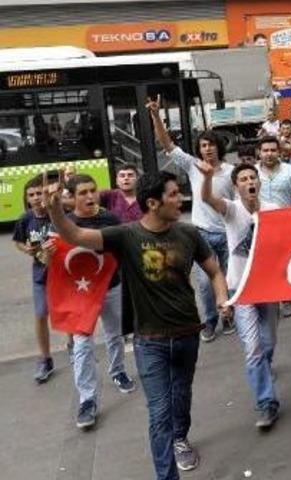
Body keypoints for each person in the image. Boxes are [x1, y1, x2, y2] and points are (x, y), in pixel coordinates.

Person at [45, 170, 230, 480]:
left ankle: (181, 439)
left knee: (181, 397)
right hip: (150, 341)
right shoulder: (125, 235)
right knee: (159, 413)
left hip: (188, 334)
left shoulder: (189, 233)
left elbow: (214, 271)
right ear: (153, 203)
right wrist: (55, 211)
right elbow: (75, 235)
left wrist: (222, 299)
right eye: (173, 194)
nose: (180, 199)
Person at [199, 162, 281, 430]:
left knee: (268, 343)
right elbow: (207, 198)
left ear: (259, 182)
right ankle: (267, 403)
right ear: (236, 187)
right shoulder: (232, 210)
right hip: (241, 289)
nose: (249, 182)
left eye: (252, 177)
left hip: (268, 287)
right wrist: (207, 177)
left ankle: (264, 372)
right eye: (243, 179)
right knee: (253, 349)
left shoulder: (273, 210)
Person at [150, 95, 235, 342]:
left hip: (227, 234)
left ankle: (228, 316)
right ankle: (209, 321)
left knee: (229, 280)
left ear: (219, 147)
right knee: (205, 285)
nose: (207, 149)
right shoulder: (192, 165)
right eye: (203, 145)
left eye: (211, 144)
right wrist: (155, 115)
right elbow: (167, 144)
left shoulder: (231, 172)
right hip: (202, 235)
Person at [59, 174, 136, 430]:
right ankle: (87, 400)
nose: (90, 196)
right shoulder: (66, 224)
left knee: (115, 334)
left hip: (112, 286)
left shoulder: (110, 219)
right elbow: (55, 261)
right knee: (82, 345)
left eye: (92, 190)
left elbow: (124, 249)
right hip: (82, 294)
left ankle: (118, 371)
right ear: (71, 197)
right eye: (83, 192)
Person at [12, 174, 58, 383]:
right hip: (40, 275)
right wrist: (27, 249)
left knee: (65, 312)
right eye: (31, 195)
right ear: (27, 198)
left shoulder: (56, 214)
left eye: (39, 193)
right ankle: (45, 359)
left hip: (62, 274)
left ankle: (74, 349)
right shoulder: (26, 218)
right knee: (40, 314)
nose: (36, 197)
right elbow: (18, 241)